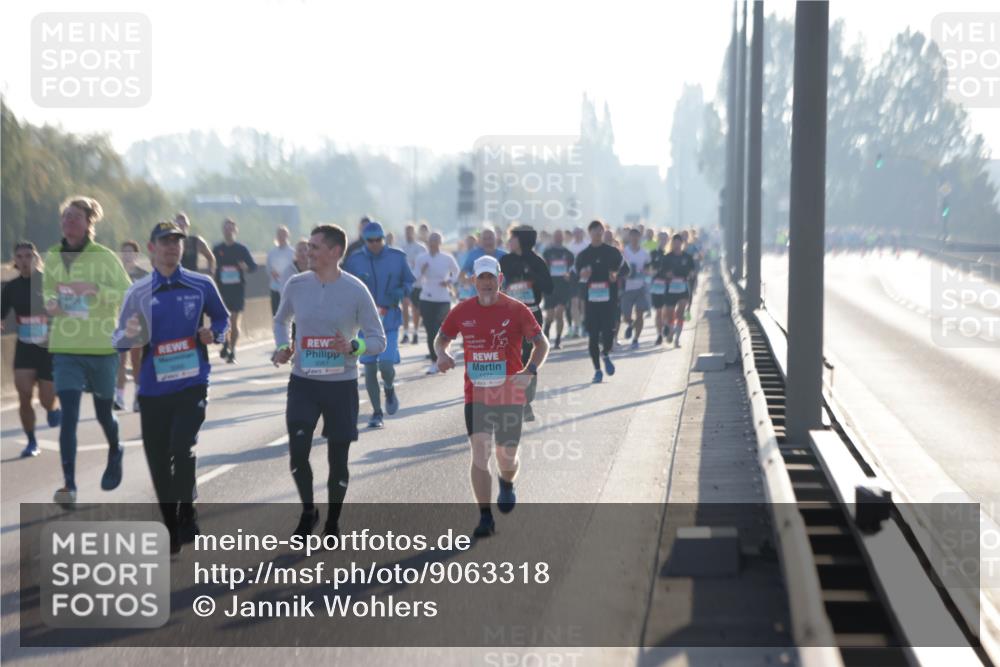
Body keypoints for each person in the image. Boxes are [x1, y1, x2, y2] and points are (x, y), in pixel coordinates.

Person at [112, 221, 230, 555]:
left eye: (176, 242)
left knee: (182, 445)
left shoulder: (200, 284)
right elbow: (119, 339)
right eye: (165, 242)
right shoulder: (137, 293)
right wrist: (128, 334)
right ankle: (170, 524)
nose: (171, 247)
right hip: (152, 389)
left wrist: (214, 334)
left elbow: (222, 319)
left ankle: (186, 511)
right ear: (152, 248)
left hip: (192, 382)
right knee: (159, 461)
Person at [273, 224, 385, 538]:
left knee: (338, 459)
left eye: (314, 247)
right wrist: (283, 346)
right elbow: (281, 320)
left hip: (341, 385)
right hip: (304, 382)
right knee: (298, 452)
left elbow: (378, 340)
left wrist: (353, 346)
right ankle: (309, 511)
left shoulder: (356, 290)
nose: (307, 252)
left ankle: (333, 522)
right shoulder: (296, 284)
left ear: (335, 252)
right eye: (308, 246)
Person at [435, 255, 549, 537]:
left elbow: (541, 344)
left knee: (506, 457)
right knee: (480, 452)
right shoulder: (462, 311)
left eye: (491, 278)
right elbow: (442, 338)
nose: (486, 283)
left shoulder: (517, 309)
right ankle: (485, 517)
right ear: (474, 281)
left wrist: (529, 371)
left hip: (510, 392)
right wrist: (441, 354)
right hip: (476, 394)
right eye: (481, 278)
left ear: (500, 279)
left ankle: (507, 482)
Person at [43, 196, 132, 507]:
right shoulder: (52, 256)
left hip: (101, 347)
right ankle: (69, 486)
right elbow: (48, 290)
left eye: (75, 217)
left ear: (88, 223)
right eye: (65, 216)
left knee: (103, 414)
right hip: (66, 348)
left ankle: (116, 448)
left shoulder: (104, 257)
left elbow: (127, 292)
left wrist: (96, 290)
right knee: (68, 415)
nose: (69, 221)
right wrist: (50, 303)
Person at [342, 221, 414, 429]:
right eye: (370, 240)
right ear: (365, 241)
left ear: (384, 238)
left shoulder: (397, 257)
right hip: (363, 323)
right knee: (370, 367)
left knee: (386, 365)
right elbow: (344, 285)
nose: (374, 244)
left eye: (378, 240)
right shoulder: (354, 260)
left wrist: (401, 292)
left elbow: (409, 281)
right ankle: (376, 412)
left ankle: (389, 387)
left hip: (389, 320)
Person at [1, 241, 61, 457]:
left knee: (46, 400)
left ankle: (53, 408)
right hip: (25, 348)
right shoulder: (11, 287)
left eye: (28, 256)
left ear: (36, 258)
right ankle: (32, 441)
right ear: (15, 261)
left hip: (48, 349)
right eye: (20, 257)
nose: (24, 261)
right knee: (24, 394)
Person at [499, 225, 552, 422]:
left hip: (531, 313)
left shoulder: (537, 261)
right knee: (511, 357)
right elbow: (496, 284)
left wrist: (532, 275)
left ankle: (527, 401)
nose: (508, 241)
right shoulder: (505, 261)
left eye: (512, 238)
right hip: (509, 316)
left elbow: (549, 287)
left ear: (521, 240)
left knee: (530, 358)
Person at [575, 220, 623, 383]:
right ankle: (597, 370)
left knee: (609, 334)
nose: (597, 232)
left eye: (600, 230)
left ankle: (606, 353)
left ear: (603, 232)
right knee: (593, 337)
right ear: (589, 233)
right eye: (594, 230)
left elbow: (626, 269)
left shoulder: (612, 252)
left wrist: (615, 274)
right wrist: (583, 276)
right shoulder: (583, 255)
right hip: (591, 303)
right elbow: (576, 277)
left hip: (609, 301)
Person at [413, 232, 460, 374]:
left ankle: (443, 353)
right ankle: (434, 362)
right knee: (430, 330)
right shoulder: (421, 258)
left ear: (440, 242)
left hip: (443, 298)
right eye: (431, 240)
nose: (433, 243)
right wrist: (422, 271)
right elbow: (414, 277)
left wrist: (449, 281)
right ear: (427, 242)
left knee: (442, 330)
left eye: (436, 240)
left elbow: (456, 272)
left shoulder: (447, 257)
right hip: (426, 297)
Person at [212, 218, 257, 364]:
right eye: (226, 228)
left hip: (237, 290)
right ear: (223, 231)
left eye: (231, 228)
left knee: (234, 320)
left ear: (235, 231)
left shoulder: (241, 249)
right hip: (222, 290)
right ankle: (226, 344)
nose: (229, 231)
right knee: (225, 321)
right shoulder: (217, 249)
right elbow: (212, 265)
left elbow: (253, 267)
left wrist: (245, 267)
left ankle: (232, 349)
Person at [115, 240, 149, 411]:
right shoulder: (115, 274)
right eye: (124, 252)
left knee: (136, 361)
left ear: (136, 255)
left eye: (130, 252)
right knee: (119, 361)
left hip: (137, 323)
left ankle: (138, 396)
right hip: (119, 321)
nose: (127, 255)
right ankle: (119, 398)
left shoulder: (144, 275)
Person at [660, 234, 696, 347]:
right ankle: (671, 331)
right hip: (670, 288)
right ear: (672, 243)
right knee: (670, 315)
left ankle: (677, 340)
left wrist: (691, 274)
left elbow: (692, 270)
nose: (676, 245)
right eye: (674, 243)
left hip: (683, 287)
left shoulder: (687, 257)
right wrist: (667, 274)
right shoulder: (667, 257)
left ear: (682, 243)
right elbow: (662, 272)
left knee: (680, 314)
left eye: (678, 243)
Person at [542, 229, 575, 349]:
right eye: (556, 236)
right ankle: (546, 334)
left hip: (563, 287)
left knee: (560, 314)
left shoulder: (568, 253)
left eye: (560, 236)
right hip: (550, 287)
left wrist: (569, 276)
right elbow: (542, 268)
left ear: (563, 238)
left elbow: (573, 270)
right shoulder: (547, 252)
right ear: (553, 237)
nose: (558, 238)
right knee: (550, 316)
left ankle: (558, 340)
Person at [620, 228, 652, 350]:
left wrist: (645, 272)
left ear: (640, 238)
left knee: (640, 314)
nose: (634, 239)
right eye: (632, 236)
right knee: (626, 316)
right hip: (627, 288)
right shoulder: (624, 252)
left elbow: (648, 269)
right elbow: (619, 268)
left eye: (636, 236)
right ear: (629, 237)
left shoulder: (645, 253)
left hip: (640, 288)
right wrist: (625, 273)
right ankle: (631, 324)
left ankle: (636, 339)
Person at [401, 224, 428, 345]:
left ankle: (415, 333)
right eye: (407, 232)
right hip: (405, 283)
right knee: (405, 307)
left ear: (414, 232)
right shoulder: (402, 248)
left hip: (418, 283)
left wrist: (421, 274)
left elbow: (426, 264)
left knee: (416, 309)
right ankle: (406, 333)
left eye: (410, 231)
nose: (408, 234)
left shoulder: (421, 248)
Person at [565, 227, 589, 338]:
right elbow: (567, 262)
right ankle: (577, 326)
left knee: (583, 303)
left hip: (585, 275)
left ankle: (584, 325)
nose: (577, 235)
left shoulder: (587, 245)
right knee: (574, 302)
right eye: (575, 233)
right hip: (573, 275)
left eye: (579, 232)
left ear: (582, 233)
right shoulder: (569, 246)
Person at [266, 225, 295, 316]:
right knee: (276, 314)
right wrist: (272, 273)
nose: (281, 237)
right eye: (279, 235)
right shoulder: (272, 253)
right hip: (275, 287)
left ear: (288, 236)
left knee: (290, 315)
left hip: (290, 288)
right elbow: (268, 268)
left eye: (284, 234)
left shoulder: (293, 252)